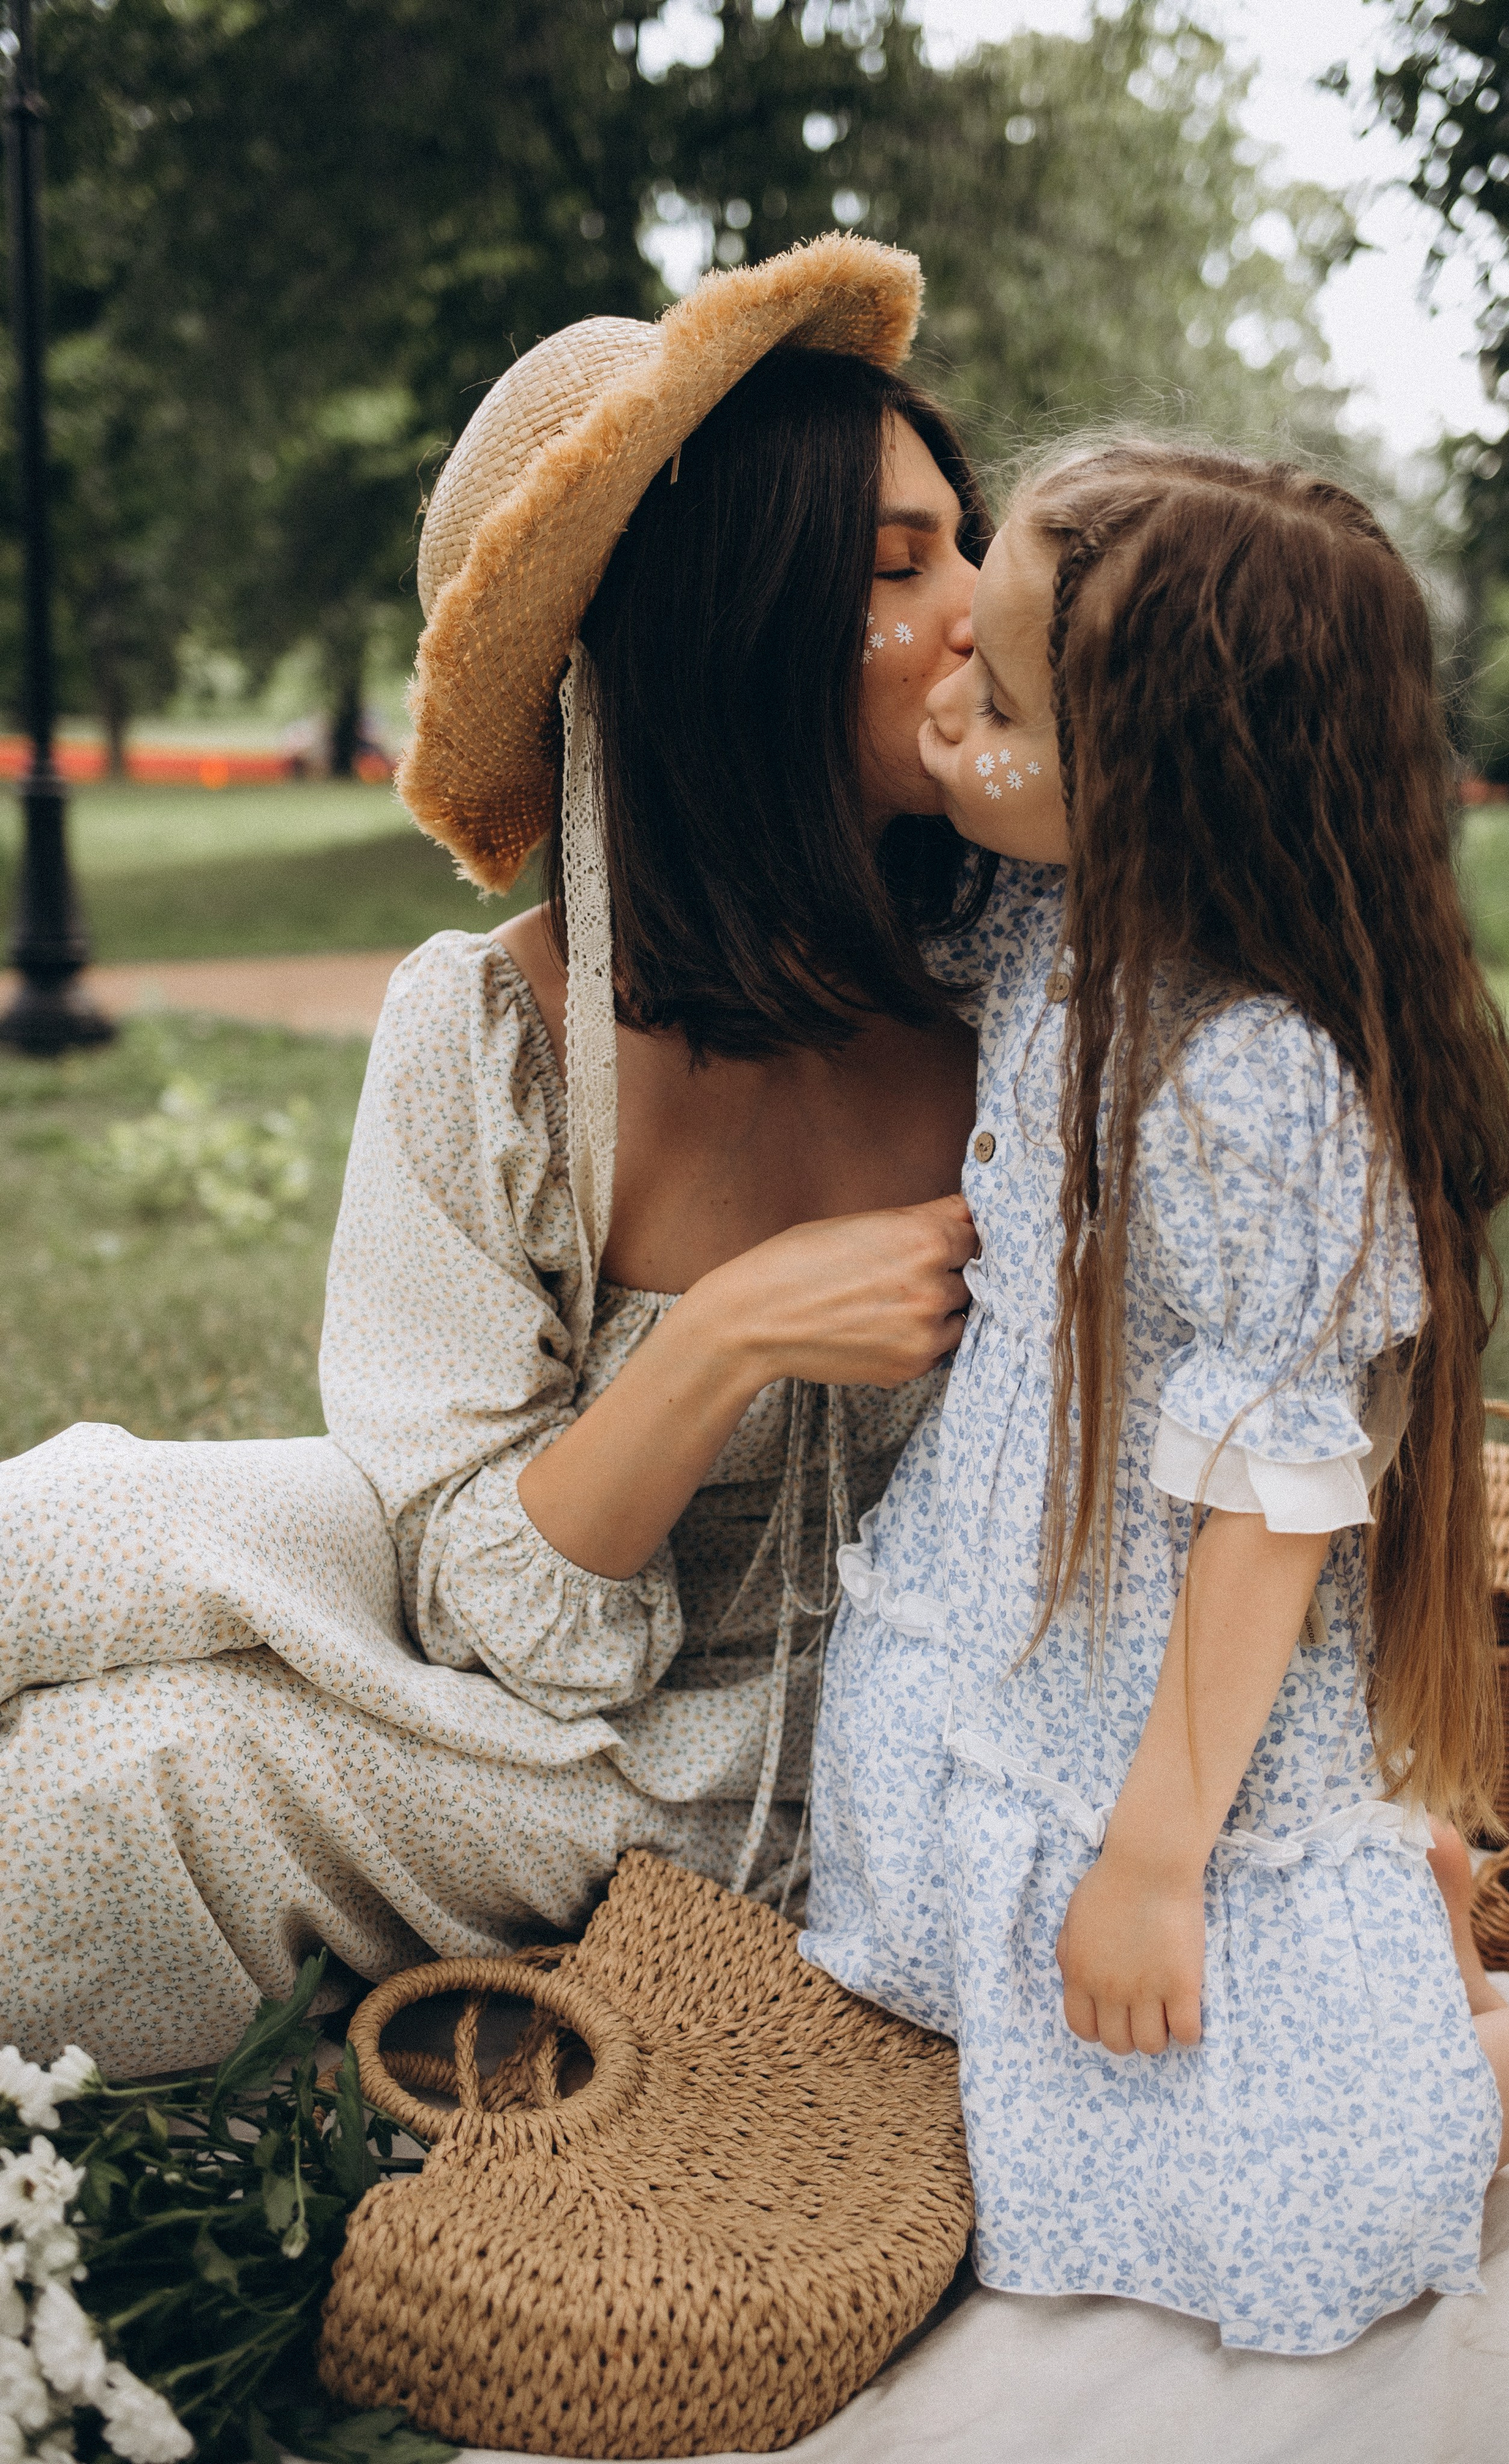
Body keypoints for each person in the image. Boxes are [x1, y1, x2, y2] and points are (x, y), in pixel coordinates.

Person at [0, 236, 993, 2076]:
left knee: (116, 1796)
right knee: (54, 1530)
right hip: (509, 1598)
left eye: (970, 544)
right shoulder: (490, 1038)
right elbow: (486, 1591)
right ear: (726, 640)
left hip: (761, 1747)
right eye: (895, 569)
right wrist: (721, 1340)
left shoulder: (1038, 995)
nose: (981, 612)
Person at [802, 439, 1509, 2356]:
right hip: (1022, 1635)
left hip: (1174, 1720)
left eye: (996, 698)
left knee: (1321, 2211)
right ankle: (1403, 1945)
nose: (946, 690)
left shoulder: (1247, 1086)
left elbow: (1273, 1496)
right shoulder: (1063, 930)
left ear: (1154, 790)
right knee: (1040, 2047)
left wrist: (1160, 1856)